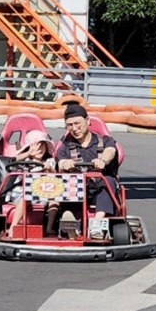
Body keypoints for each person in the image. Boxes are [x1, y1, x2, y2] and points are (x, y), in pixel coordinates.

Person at [55, 101, 119, 238]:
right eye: (70, 125)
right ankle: (70, 222)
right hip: (77, 190)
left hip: (99, 189)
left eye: (77, 123)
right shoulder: (65, 146)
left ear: (88, 121)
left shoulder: (105, 141)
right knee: (67, 184)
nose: (74, 128)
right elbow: (59, 160)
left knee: (108, 180)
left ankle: (97, 224)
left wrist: (102, 161)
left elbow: (111, 151)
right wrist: (64, 163)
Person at [7, 130, 55, 230]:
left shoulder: (49, 161)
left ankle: (50, 228)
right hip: (22, 192)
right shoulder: (24, 161)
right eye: (36, 146)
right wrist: (28, 153)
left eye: (42, 145)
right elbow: (11, 162)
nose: (39, 149)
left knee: (55, 198)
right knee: (27, 195)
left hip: (43, 192)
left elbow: (57, 177)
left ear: (46, 147)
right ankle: (13, 227)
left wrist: (50, 170)